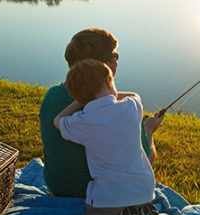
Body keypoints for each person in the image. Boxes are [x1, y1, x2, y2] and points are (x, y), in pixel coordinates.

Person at [39, 28, 163, 198]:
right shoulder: (118, 110)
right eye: (114, 54)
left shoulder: (52, 95)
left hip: (57, 186)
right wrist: (148, 131)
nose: (117, 58)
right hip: (98, 195)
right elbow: (145, 160)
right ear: (103, 66)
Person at [53, 58, 167, 215]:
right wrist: (112, 94)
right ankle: (139, 213)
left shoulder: (82, 122)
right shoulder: (131, 106)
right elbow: (135, 95)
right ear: (108, 81)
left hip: (109, 199)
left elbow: (57, 120)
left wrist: (80, 101)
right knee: (129, 199)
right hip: (145, 191)